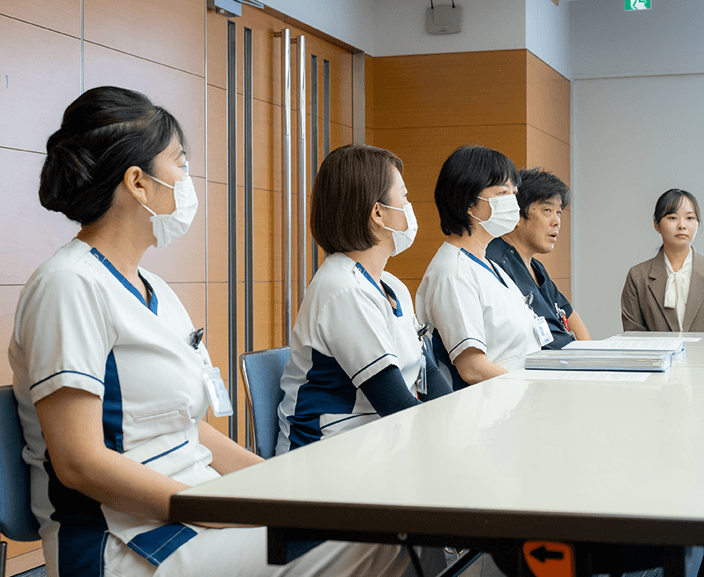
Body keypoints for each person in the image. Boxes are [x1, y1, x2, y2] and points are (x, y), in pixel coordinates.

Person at [8, 87, 408, 577]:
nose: (187, 179)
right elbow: (80, 463)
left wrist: (284, 486)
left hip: (197, 513)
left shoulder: (154, 289)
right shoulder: (67, 285)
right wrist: (217, 509)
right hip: (126, 543)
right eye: (179, 163)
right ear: (137, 182)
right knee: (380, 538)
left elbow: (189, 430)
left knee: (388, 520)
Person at [277, 144, 451, 452]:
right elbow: (394, 404)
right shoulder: (343, 289)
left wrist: (461, 417)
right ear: (378, 213)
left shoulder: (391, 285)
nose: (410, 207)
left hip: (376, 442)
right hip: (328, 453)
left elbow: (427, 371)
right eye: (405, 197)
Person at [416, 145, 542, 390]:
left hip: (516, 398)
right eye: (502, 193)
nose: (512, 202)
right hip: (487, 408)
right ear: (469, 202)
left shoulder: (490, 264)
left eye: (514, 193)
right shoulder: (453, 272)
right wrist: (531, 388)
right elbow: (472, 368)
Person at [485, 168, 591, 349]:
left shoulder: (536, 267)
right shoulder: (494, 261)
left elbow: (570, 316)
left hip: (567, 364)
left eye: (559, 212)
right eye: (547, 210)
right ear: (517, 215)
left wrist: (592, 357)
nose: (556, 221)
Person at [621, 188, 704, 332]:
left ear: (697, 224)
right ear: (656, 224)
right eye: (672, 218)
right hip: (656, 355)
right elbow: (634, 336)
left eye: (690, 218)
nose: (682, 225)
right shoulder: (638, 276)